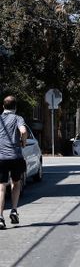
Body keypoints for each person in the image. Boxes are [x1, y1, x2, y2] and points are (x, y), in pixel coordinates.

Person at [0, 96, 27, 229]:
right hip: (16, 157)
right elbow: (23, 131)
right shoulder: (18, 118)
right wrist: (23, 142)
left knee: (1, 186)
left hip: (1, 158)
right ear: (15, 107)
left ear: (3, 106)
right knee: (16, 183)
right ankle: (14, 210)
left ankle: (0, 218)